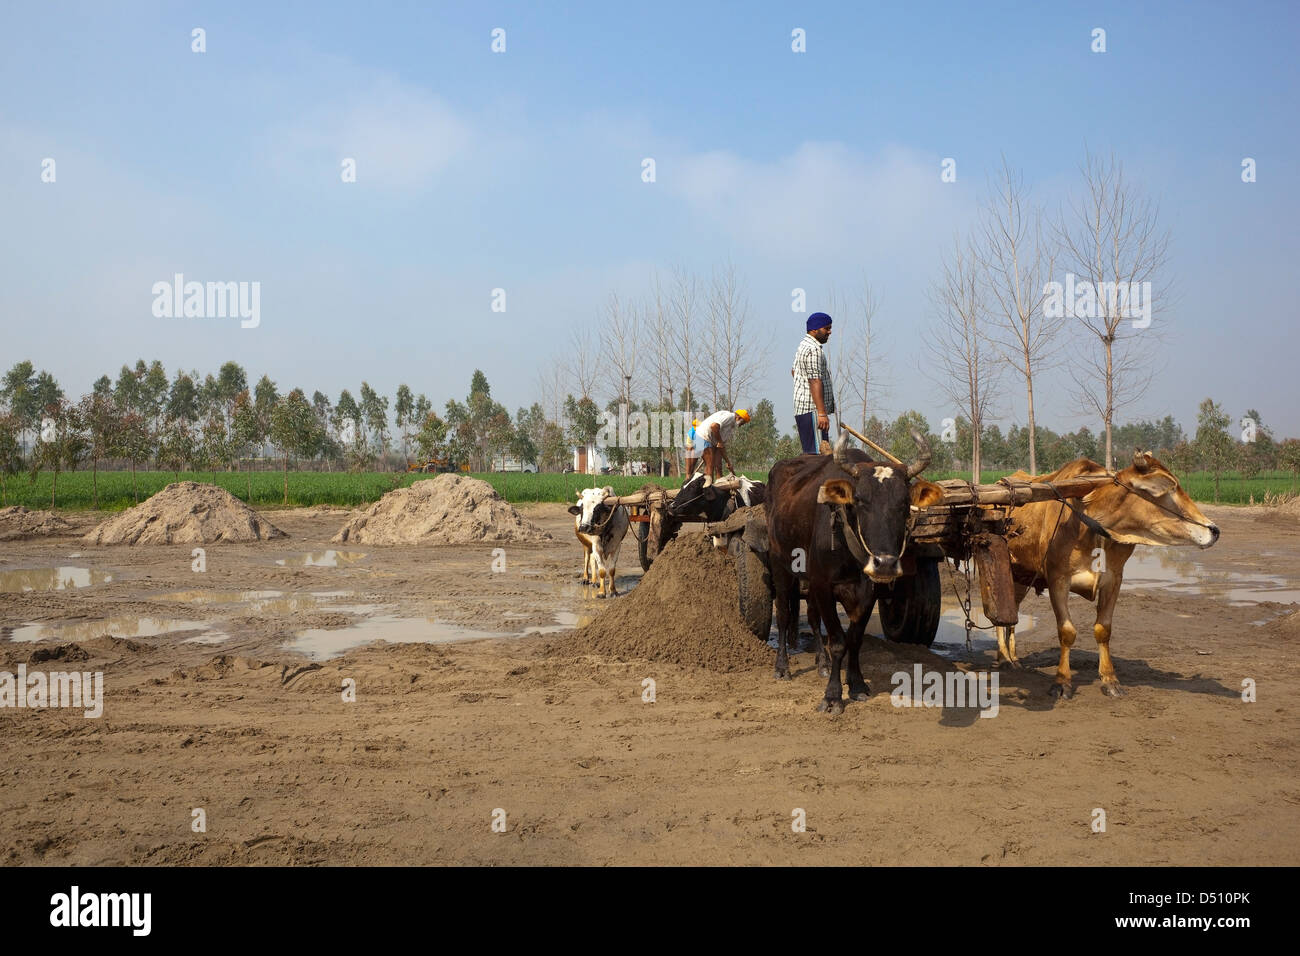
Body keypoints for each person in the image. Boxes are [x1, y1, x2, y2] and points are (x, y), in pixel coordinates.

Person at [791, 312, 835, 454]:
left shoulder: (803, 345)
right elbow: (814, 380)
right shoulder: (813, 350)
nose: (829, 332)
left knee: (813, 453)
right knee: (817, 456)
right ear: (815, 329)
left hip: (807, 409)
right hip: (813, 411)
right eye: (826, 328)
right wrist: (821, 413)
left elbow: (794, 371)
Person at [694, 408, 749, 484]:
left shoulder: (731, 427)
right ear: (739, 418)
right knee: (710, 465)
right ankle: (708, 488)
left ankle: (717, 484)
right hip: (702, 437)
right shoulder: (729, 417)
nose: (741, 425)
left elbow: (721, 446)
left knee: (717, 463)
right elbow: (714, 426)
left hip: (708, 440)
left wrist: (728, 462)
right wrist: (719, 441)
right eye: (743, 423)